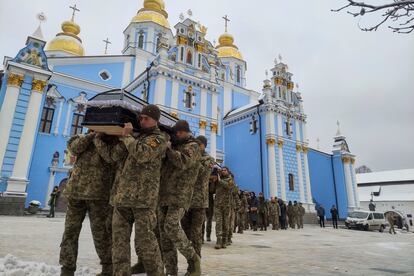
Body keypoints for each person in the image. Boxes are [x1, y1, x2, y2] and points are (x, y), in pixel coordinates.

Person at [109, 104, 168, 276]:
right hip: (123, 198)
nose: (141, 121)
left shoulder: (159, 138)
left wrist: (127, 137)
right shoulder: (137, 137)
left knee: (146, 243)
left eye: (146, 118)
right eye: (140, 118)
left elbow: (142, 154)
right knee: (119, 243)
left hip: (143, 199)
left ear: (155, 120)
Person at [59, 131, 113, 276]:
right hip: (76, 192)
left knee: (101, 233)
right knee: (70, 231)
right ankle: (67, 267)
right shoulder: (80, 137)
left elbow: (110, 157)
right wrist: (91, 135)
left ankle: (108, 267)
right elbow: (75, 148)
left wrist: (99, 138)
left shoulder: (110, 140)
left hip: (98, 195)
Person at [158, 120, 202, 276]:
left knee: (171, 225)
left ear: (184, 131)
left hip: (180, 195)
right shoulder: (175, 146)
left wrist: (169, 150)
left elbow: (184, 162)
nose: (175, 136)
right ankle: (171, 271)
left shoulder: (194, 146)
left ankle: (193, 258)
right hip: (163, 194)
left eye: (177, 133)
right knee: (164, 235)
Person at [181, 135, 214, 260]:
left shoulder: (209, 159)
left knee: (196, 234)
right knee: (184, 232)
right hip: (185, 200)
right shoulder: (190, 155)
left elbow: (202, 173)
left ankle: (196, 262)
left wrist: (192, 159)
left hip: (199, 202)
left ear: (203, 145)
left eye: (197, 144)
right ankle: (190, 258)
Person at [214, 167, 233, 249]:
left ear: (228, 171)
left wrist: (219, 180)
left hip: (226, 205)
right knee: (218, 223)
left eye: (225, 170)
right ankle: (218, 240)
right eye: (222, 170)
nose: (223, 171)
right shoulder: (217, 179)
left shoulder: (230, 179)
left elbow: (229, 187)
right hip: (218, 205)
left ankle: (224, 241)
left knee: (225, 223)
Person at [205, 171, 218, 242]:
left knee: (209, 220)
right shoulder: (205, 181)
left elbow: (213, 191)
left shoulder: (216, 183)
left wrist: (213, 182)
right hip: (203, 202)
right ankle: (201, 236)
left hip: (211, 204)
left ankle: (208, 235)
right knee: (201, 221)